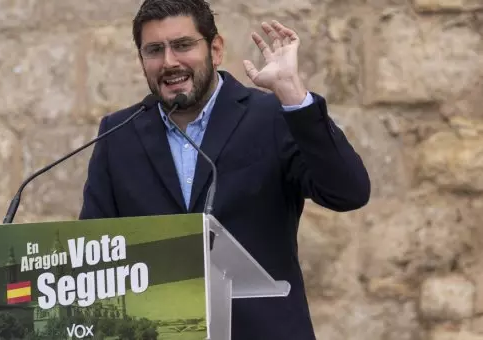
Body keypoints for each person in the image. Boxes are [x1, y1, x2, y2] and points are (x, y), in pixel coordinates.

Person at [79, 0, 371, 338]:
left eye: (183, 45)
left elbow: (349, 192)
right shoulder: (119, 133)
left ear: (215, 49)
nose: (170, 61)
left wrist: (293, 95)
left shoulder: (272, 116)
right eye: (154, 50)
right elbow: (94, 252)